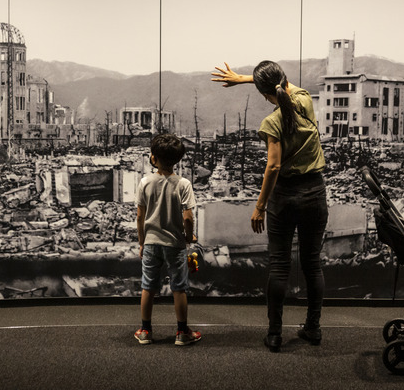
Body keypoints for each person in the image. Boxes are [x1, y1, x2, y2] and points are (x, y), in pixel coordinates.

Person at [211, 61, 328, 352]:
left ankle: (275, 334)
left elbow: (273, 166)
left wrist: (260, 206)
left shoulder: (272, 123)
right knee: (312, 264)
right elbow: (278, 83)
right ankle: (313, 328)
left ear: (265, 94)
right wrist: (247, 79)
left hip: (284, 196)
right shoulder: (304, 100)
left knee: (279, 265)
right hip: (314, 191)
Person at [134, 133, 202, 346]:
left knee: (148, 287)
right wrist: (189, 236)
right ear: (177, 159)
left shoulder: (145, 182)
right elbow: (188, 217)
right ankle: (182, 333)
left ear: (153, 158)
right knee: (178, 288)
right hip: (175, 244)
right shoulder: (183, 184)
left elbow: (139, 216)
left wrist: (141, 242)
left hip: (152, 242)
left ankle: (145, 331)